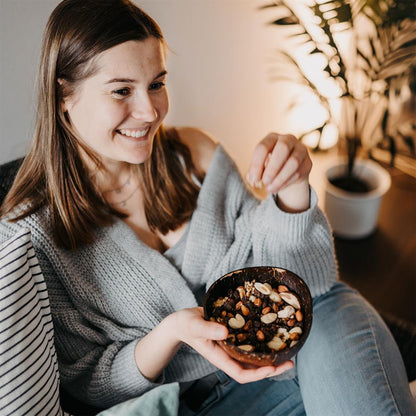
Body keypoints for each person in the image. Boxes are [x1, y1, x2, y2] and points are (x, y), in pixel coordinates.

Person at [0, 0, 414, 415]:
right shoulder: (31, 236)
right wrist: (170, 333)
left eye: (157, 84)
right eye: (122, 90)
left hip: (297, 347)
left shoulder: (193, 154)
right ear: (63, 95)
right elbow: (85, 386)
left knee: (334, 306)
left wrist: (292, 192)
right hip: (200, 403)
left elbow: (306, 283)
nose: (149, 112)